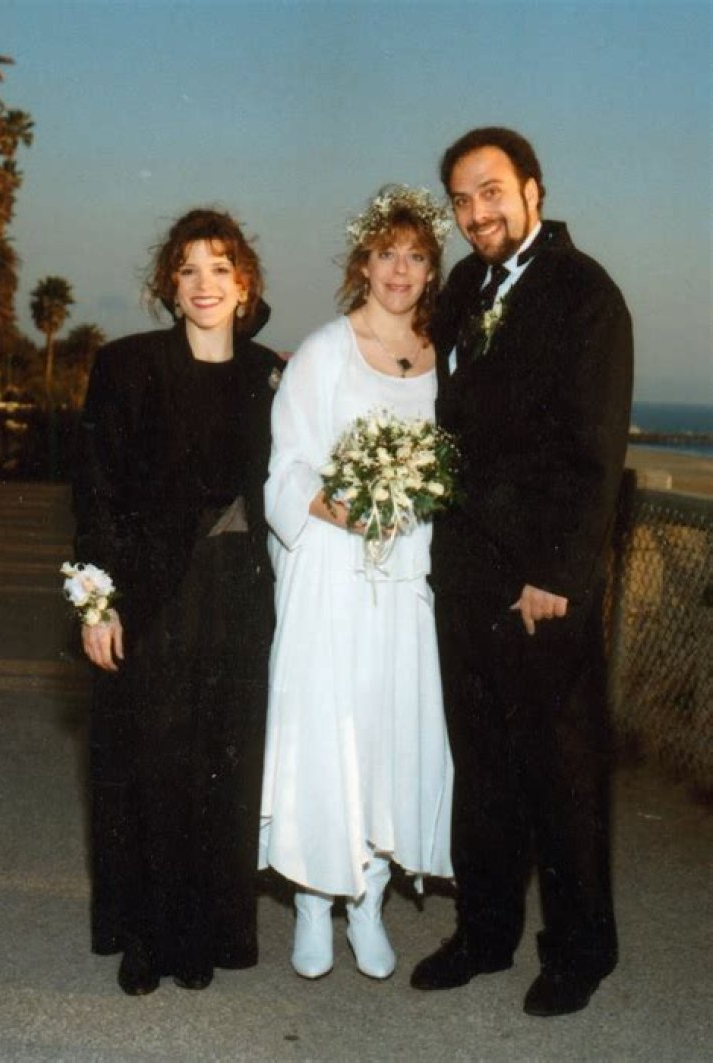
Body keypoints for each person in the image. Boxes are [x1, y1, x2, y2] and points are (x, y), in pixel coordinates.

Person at [410, 128, 633, 1016]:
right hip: (467, 571)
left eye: (492, 191)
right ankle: (485, 932)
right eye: (462, 200)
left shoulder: (586, 293)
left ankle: (581, 950)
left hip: (542, 580)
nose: (477, 213)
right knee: (482, 765)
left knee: (561, 770)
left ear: (533, 190)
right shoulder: (464, 290)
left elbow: (595, 448)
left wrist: (556, 572)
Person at [73, 208, 282, 995]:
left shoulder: (270, 374)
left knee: (220, 768)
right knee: (147, 765)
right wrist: (97, 604)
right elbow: (96, 493)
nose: (204, 283)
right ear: (169, 284)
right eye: (188, 268)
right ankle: (144, 936)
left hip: (239, 600)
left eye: (220, 268)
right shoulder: (127, 366)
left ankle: (203, 934)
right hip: (152, 597)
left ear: (244, 284)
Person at [259, 186, 454, 981]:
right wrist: (334, 505)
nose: (400, 270)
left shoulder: (444, 357)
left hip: (404, 576)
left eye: (416, 256)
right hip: (333, 572)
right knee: (326, 729)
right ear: (363, 264)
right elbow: (287, 462)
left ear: (431, 269)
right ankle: (314, 897)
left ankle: (368, 896)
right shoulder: (325, 350)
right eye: (386, 254)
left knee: (388, 731)